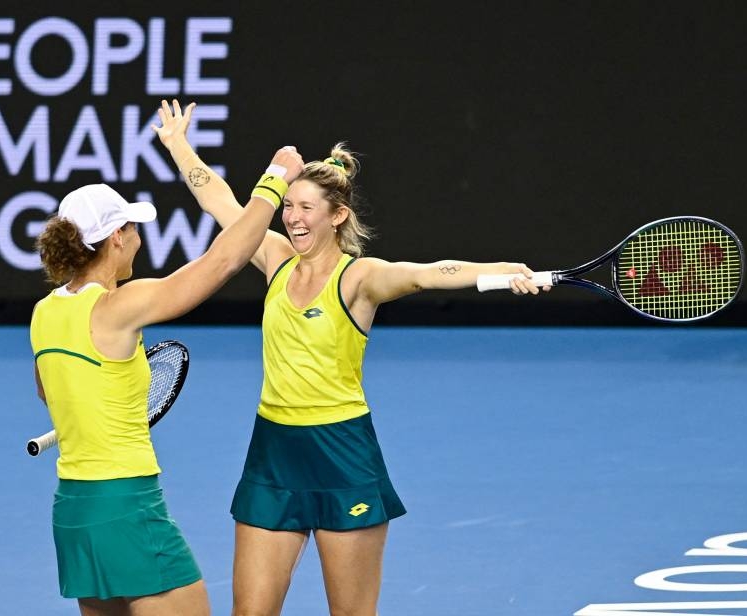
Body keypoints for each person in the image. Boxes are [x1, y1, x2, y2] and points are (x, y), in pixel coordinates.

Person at [164, 138, 550, 616]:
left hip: (342, 455)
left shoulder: (362, 278)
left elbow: (428, 274)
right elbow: (219, 199)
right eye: (288, 206)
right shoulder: (275, 259)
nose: (293, 217)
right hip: (273, 454)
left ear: (337, 215)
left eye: (306, 207)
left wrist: (504, 270)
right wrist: (180, 146)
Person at [29, 100, 303, 616]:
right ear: (115, 238)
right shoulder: (117, 307)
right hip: (126, 507)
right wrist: (273, 182)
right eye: (132, 228)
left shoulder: (44, 313)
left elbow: (50, 390)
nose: (138, 237)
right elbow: (223, 260)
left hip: (75, 513)